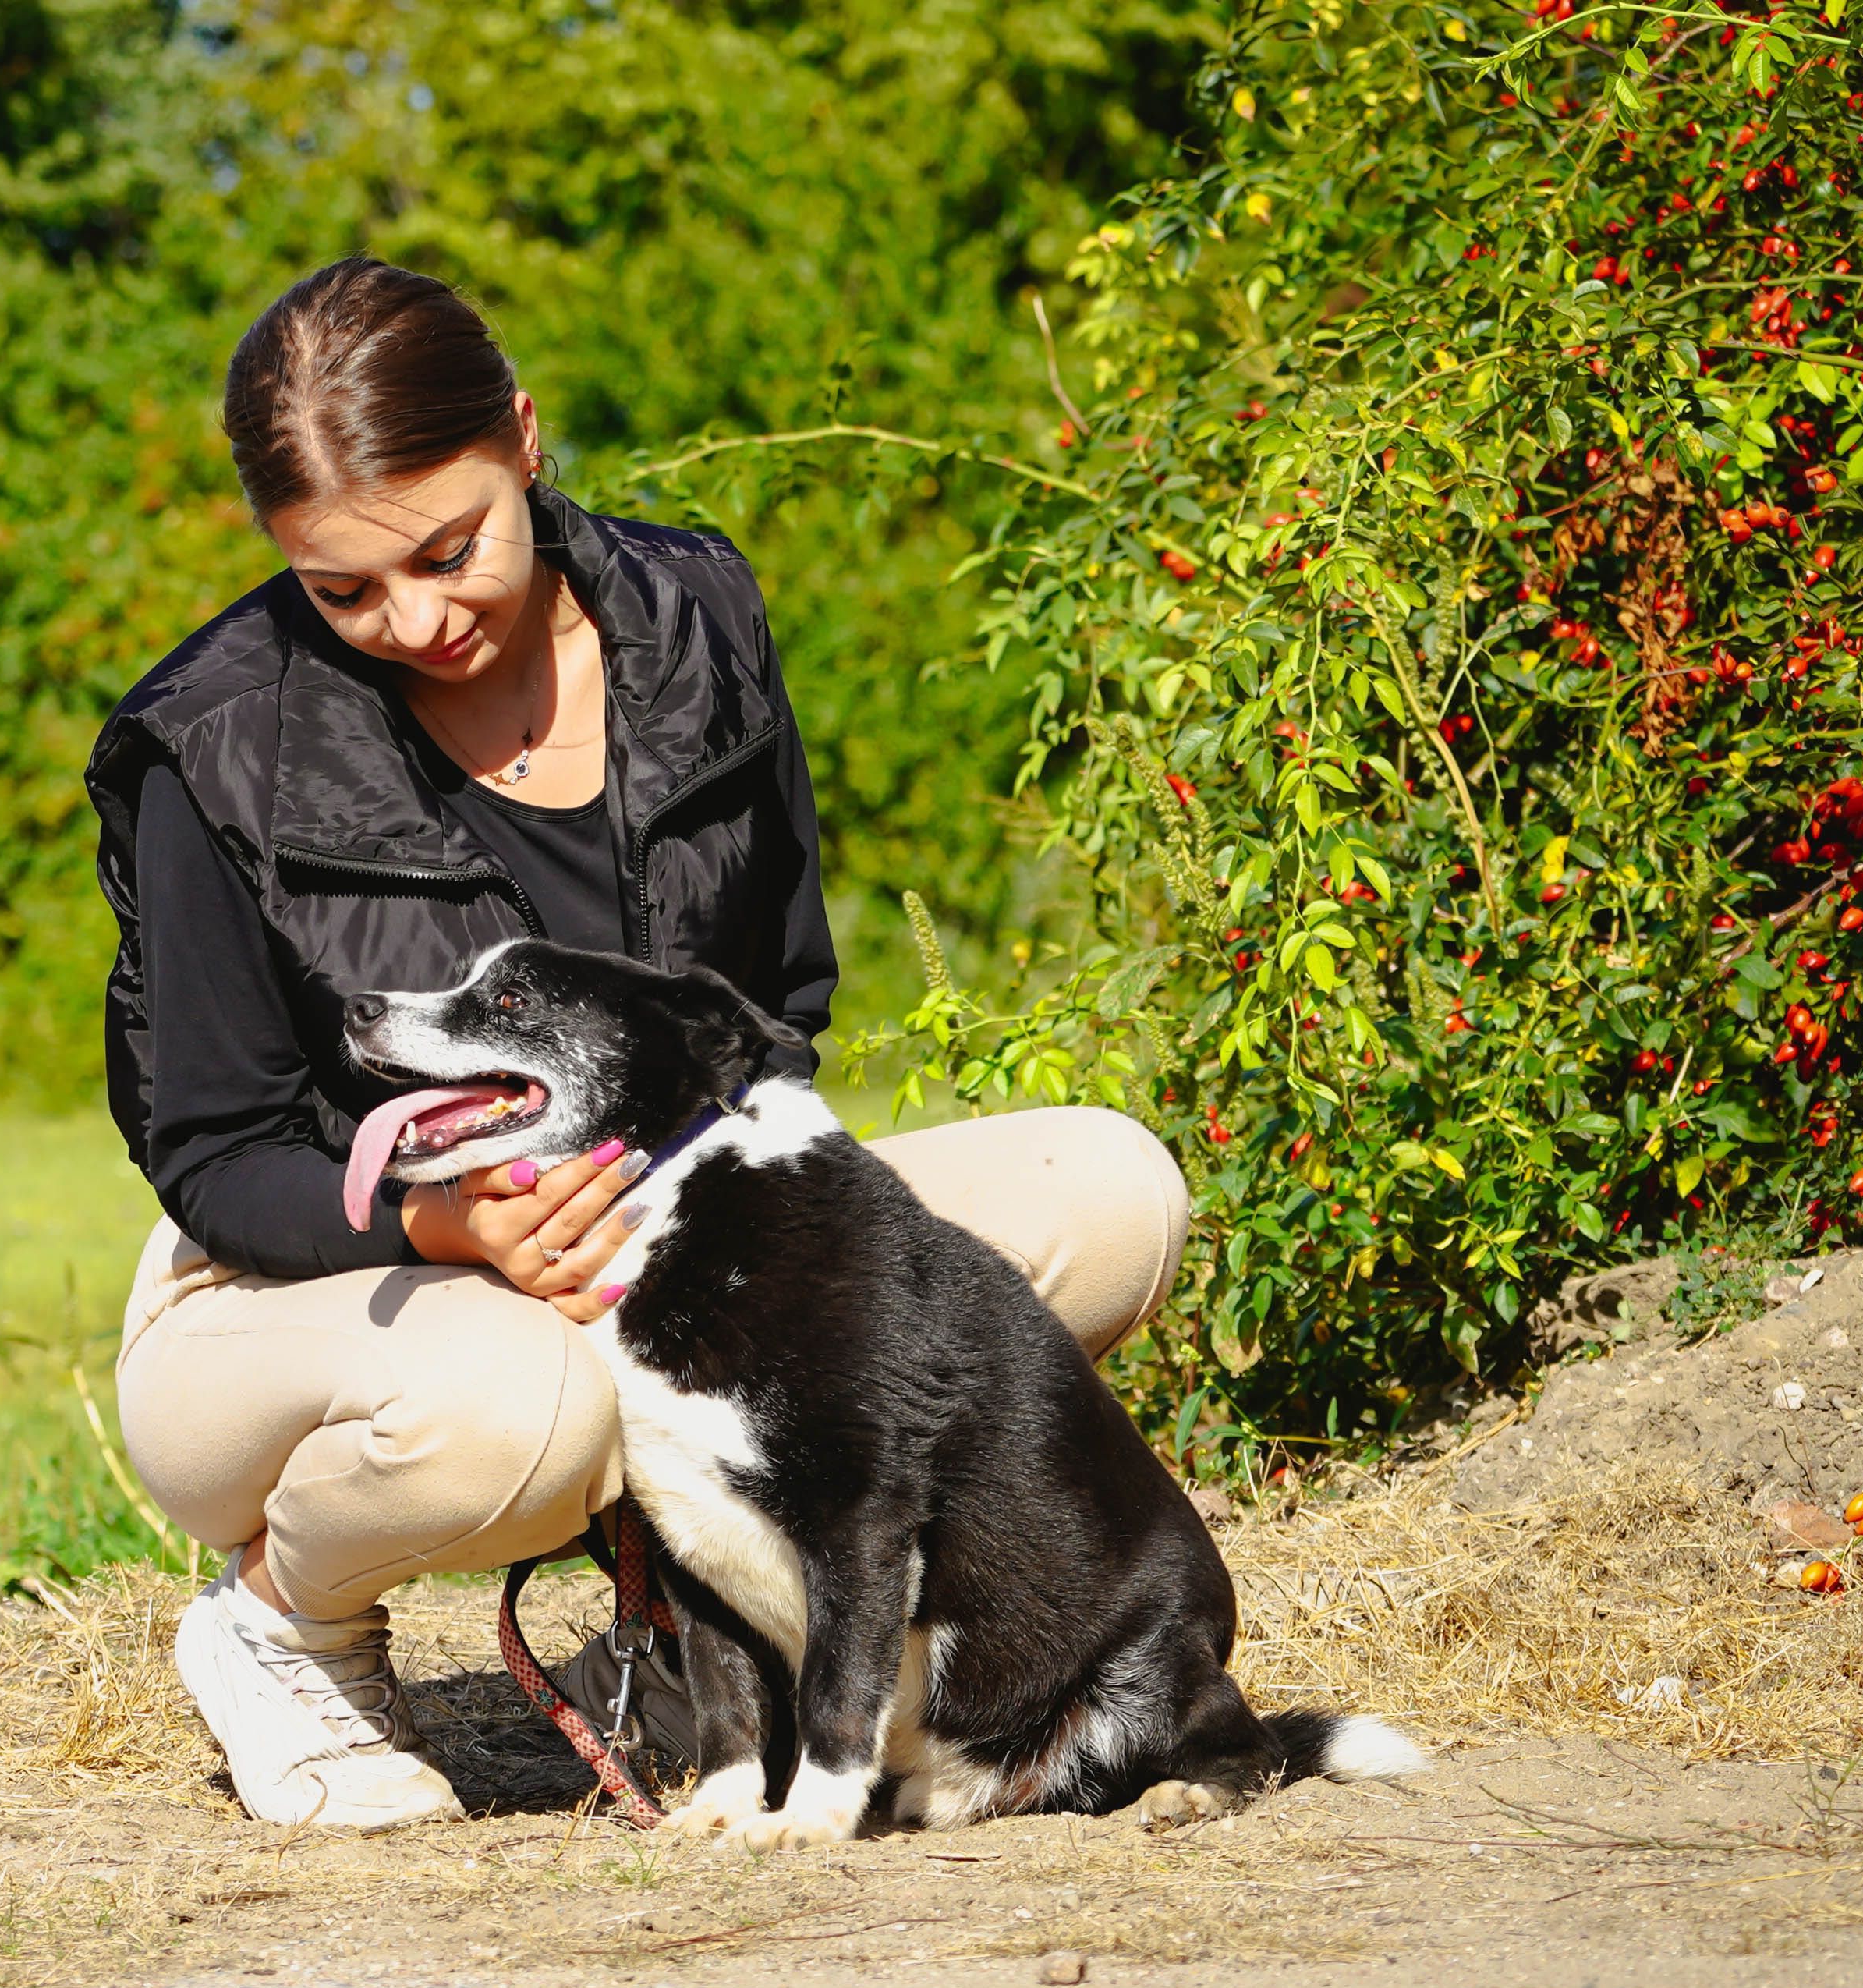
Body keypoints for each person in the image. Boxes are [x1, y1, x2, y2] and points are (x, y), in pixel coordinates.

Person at [83, 257, 1189, 1831]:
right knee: (524, 1405)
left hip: (668, 1225)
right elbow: (212, 1145)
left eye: (447, 552)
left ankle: (720, 1610)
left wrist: (677, 1223)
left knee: (1106, 1192)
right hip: (306, 1281)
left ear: (525, 440)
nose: (413, 621)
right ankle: (286, 1631)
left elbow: (780, 1003)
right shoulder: (215, 739)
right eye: (343, 591)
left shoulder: (699, 618)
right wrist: (443, 1216)